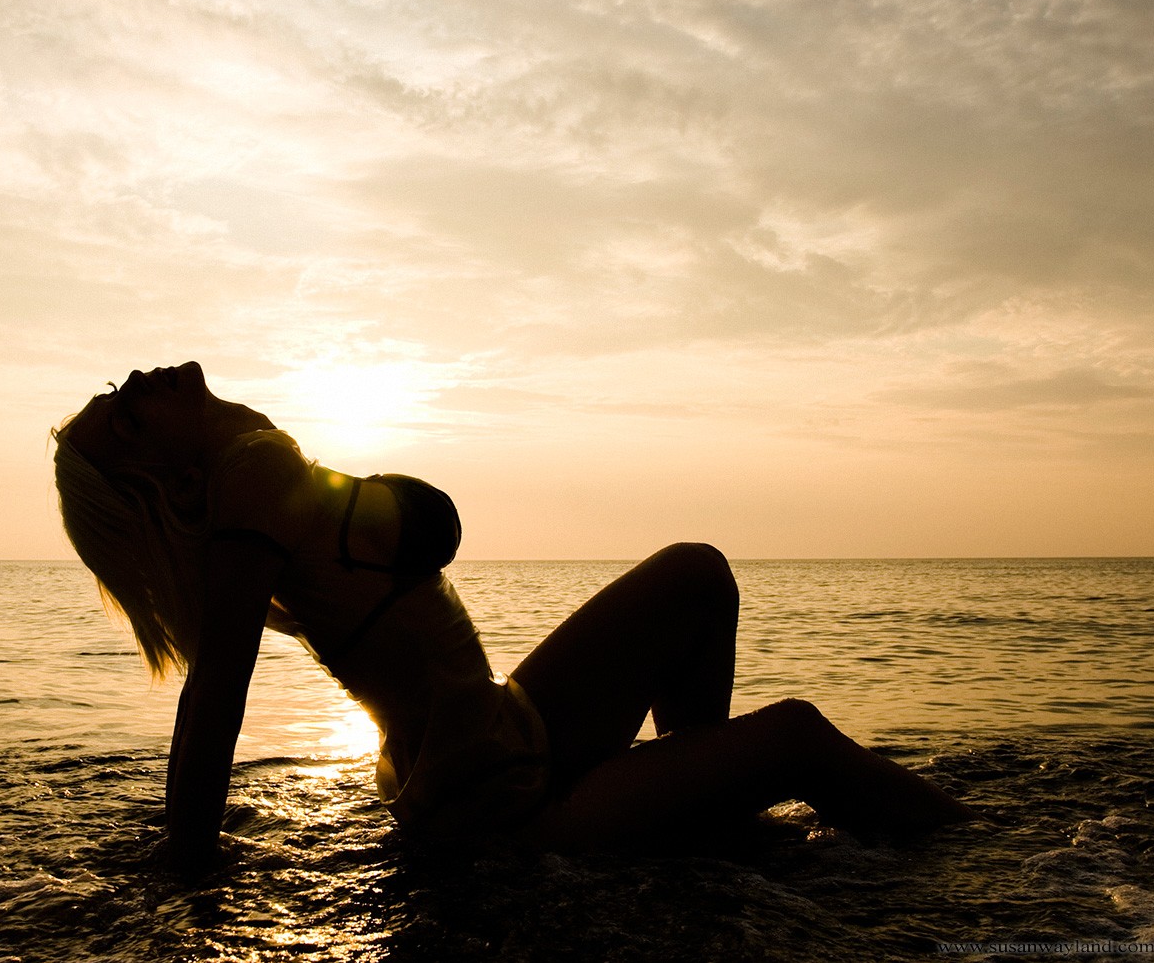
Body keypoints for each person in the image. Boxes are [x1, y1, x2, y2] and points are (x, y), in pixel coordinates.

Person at [52, 361, 976, 871]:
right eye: (124, 414)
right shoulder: (246, 479)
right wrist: (187, 858)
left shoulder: (254, 475)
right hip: (496, 792)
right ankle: (980, 858)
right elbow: (218, 684)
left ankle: (702, 808)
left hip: (495, 741)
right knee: (799, 737)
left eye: (119, 388)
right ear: (163, 482)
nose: (136, 379)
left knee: (696, 573)